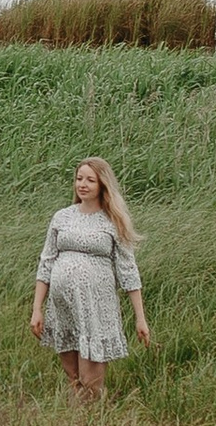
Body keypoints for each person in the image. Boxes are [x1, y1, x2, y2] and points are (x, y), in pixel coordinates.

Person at [30, 155, 151, 397]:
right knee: (74, 380)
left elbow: (128, 271)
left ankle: (97, 424)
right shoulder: (62, 217)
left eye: (90, 180)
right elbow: (46, 263)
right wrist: (37, 308)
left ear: (102, 185)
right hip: (64, 308)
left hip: (96, 309)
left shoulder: (113, 221)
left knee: (90, 382)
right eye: (79, 179)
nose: (83, 184)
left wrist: (140, 318)